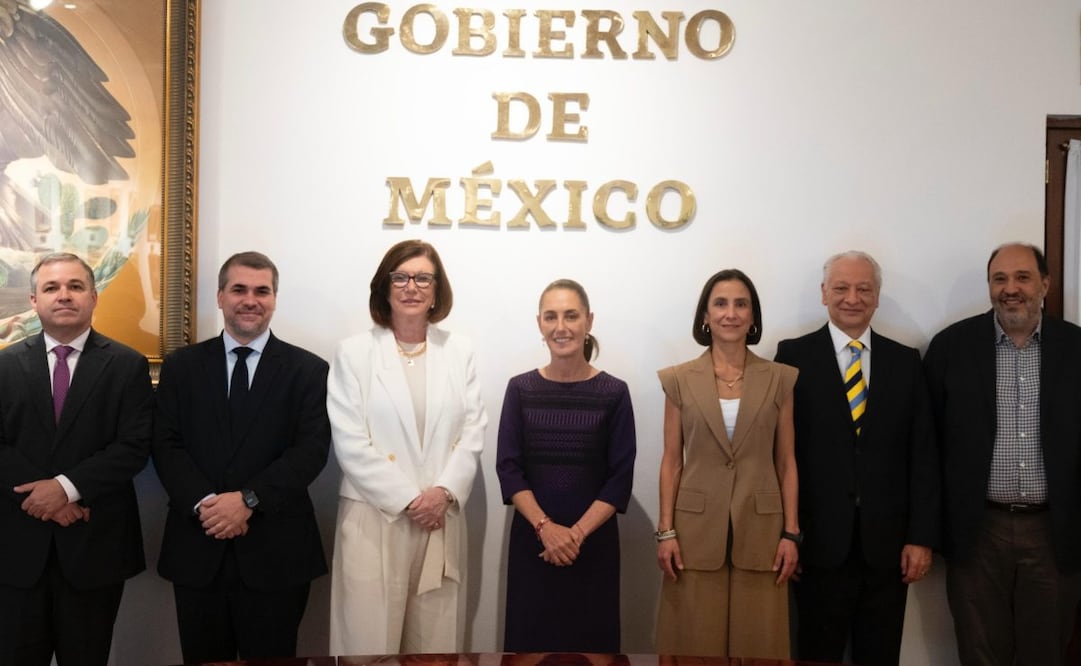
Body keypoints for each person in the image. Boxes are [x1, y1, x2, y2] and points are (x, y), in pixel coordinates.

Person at [152, 251, 330, 662]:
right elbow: (165, 444)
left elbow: (311, 449)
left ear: (274, 299)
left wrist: (248, 500)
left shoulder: (308, 370)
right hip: (199, 544)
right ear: (219, 297)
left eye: (261, 291)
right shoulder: (182, 366)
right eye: (239, 289)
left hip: (277, 552)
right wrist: (208, 505)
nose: (250, 300)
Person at [774, 251, 939, 666]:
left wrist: (920, 537)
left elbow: (922, 456)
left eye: (864, 289)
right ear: (824, 293)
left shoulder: (905, 361)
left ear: (877, 296)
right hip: (815, 546)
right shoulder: (792, 358)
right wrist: (785, 534)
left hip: (888, 550)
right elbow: (779, 456)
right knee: (816, 656)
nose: (852, 298)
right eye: (842, 288)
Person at [924, 243, 1081, 666]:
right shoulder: (949, 348)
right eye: (1000, 279)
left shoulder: (1076, 349)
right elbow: (928, 447)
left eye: (1023, 277)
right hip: (977, 532)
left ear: (1045, 284)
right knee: (979, 654)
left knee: (1045, 651)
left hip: (1054, 533)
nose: (1011, 288)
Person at [328, 239, 487, 654]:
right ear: (384, 287)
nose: (410, 286)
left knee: (434, 646)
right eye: (399, 277)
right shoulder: (354, 352)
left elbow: (473, 430)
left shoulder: (459, 351)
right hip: (374, 517)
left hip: (441, 517)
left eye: (422, 278)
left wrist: (442, 494)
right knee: (368, 644)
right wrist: (410, 500)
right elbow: (350, 440)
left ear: (437, 290)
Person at [0, 252, 153, 666]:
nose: (63, 295)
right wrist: (47, 499)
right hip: (16, 549)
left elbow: (133, 446)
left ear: (94, 297)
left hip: (95, 546)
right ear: (33, 301)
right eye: (51, 288)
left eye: (75, 286)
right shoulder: (4, 364)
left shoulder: (127, 365)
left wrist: (66, 489)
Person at [655, 268, 799, 658]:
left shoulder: (780, 378)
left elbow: (786, 461)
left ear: (753, 317)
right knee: (692, 644)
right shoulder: (678, 379)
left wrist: (791, 533)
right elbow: (671, 461)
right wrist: (665, 531)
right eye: (720, 303)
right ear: (705, 315)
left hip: (763, 531)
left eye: (741, 304)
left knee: (760, 645)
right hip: (694, 530)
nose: (730, 313)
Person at [496, 279, 636, 653]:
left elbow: (620, 478)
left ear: (589, 321)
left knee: (593, 650)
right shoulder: (520, 389)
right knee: (529, 650)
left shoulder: (614, 393)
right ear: (539, 324)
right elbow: (509, 469)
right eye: (551, 317)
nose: (562, 327)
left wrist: (573, 535)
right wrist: (546, 529)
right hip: (533, 544)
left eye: (571, 316)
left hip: (593, 547)